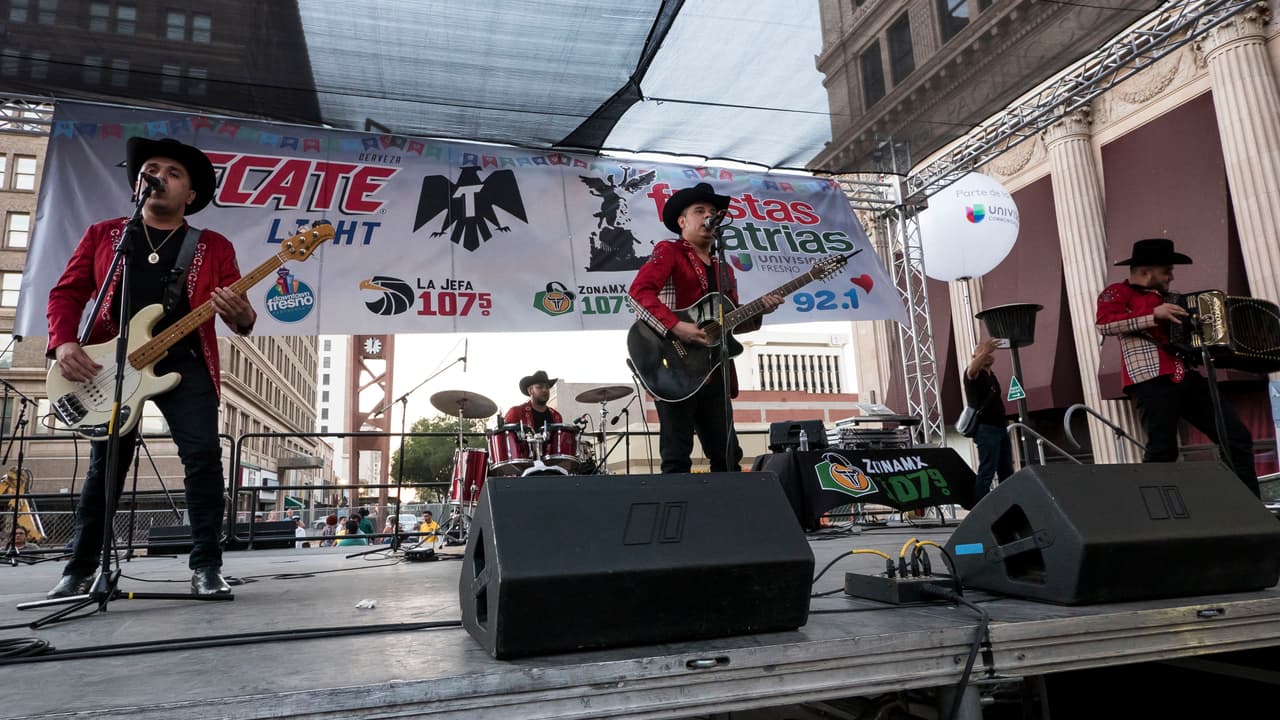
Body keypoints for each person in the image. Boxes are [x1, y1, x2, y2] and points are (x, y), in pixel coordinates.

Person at [45, 137, 256, 598]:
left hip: (186, 362)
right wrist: (63, 342)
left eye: (173, 173)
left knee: (203, 458)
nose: (159, 176)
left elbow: (241, 318)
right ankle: (79, 568)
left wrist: (241, 313)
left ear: (191, 195)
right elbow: (66, 293)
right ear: (138, 184)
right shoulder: (105, 235)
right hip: (112, 363)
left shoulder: (213, 246)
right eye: (152, 169)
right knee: (105, 467)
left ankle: (206, 566)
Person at [627, 182, 783, 473]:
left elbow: (728, 325)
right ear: (682, 222)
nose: (709, 216)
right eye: (699, 211)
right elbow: (638, 293)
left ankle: (727, 503)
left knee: (728, 456)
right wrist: (677, 326)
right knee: (676, 456)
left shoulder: (724, 268)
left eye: (713, 212)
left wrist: (761, 309)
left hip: (714, 369)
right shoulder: (669, 251)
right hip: (672, 366)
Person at [1096, 238, 1259, 497]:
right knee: (1163, 450)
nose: (1171, 276)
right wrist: (1153, 316)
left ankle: (1247, 503)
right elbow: (1105, 324)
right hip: (1149, 378)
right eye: (1166, 270)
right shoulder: (1117, 292)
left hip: (1185, 374)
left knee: (1235, 436)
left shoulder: (1173, 299)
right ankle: (1154, 511)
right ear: (1146, 271)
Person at [963, 338, 1014, 502]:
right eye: (982, 351)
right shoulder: (973, 373)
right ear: (975, 357)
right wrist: (985, 350)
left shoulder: (991, 376)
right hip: (986, 429)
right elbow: (972, 370)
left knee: (1006, 469)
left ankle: (1007, 503)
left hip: (1000, 427)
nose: (989, 353)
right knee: (987, 470)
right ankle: (980, 505)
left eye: (989, 352)